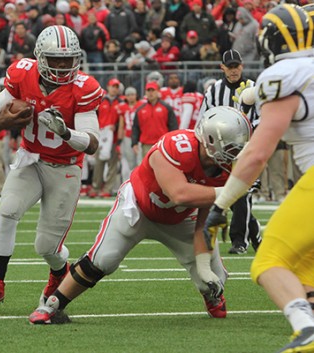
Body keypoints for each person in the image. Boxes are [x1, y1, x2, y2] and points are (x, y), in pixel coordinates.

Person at [28, 106, 252, 324]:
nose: (238, 154)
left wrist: (202, 265)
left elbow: (204, 218)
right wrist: (228, 191)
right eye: (233, 148)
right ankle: (52, 304)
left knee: (214, 278)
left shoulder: (225, 169)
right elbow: (179, 194)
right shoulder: (176, 147)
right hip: (138, 207)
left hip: (181, 218)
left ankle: (210, 295)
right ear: (211, 140)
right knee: (102, 260)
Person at [204, 5, 314, 352]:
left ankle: (306, 331)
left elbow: (257, 152)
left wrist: (221, 203)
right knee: (305, 267)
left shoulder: (283, 75)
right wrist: (253, 95)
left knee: (269, 262)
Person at [0, 25, 104, 312]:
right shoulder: (22, 73)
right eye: (54, 59)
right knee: (7, 211)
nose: (61, 66)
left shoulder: (83, 88)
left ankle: (59, 271)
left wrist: (66, 133)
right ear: (40, 57)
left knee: (46, 247)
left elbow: (92, 143)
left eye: (67, 60)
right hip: (30, 158)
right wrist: (5, 122)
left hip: (65, 167)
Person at [198, 49, 261, 255]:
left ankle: (239, 242)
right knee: (229, 194)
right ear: (222, 68)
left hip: (246, 148)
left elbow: (263, 118)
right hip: (219, 150)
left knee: (242, 194)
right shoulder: (214, 91)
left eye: (237, 66)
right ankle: (255, 231)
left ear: (242, 66)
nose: (234, 71)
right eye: (230, 67)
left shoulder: (253, 88)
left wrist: (251, 136)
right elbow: (203, 119)